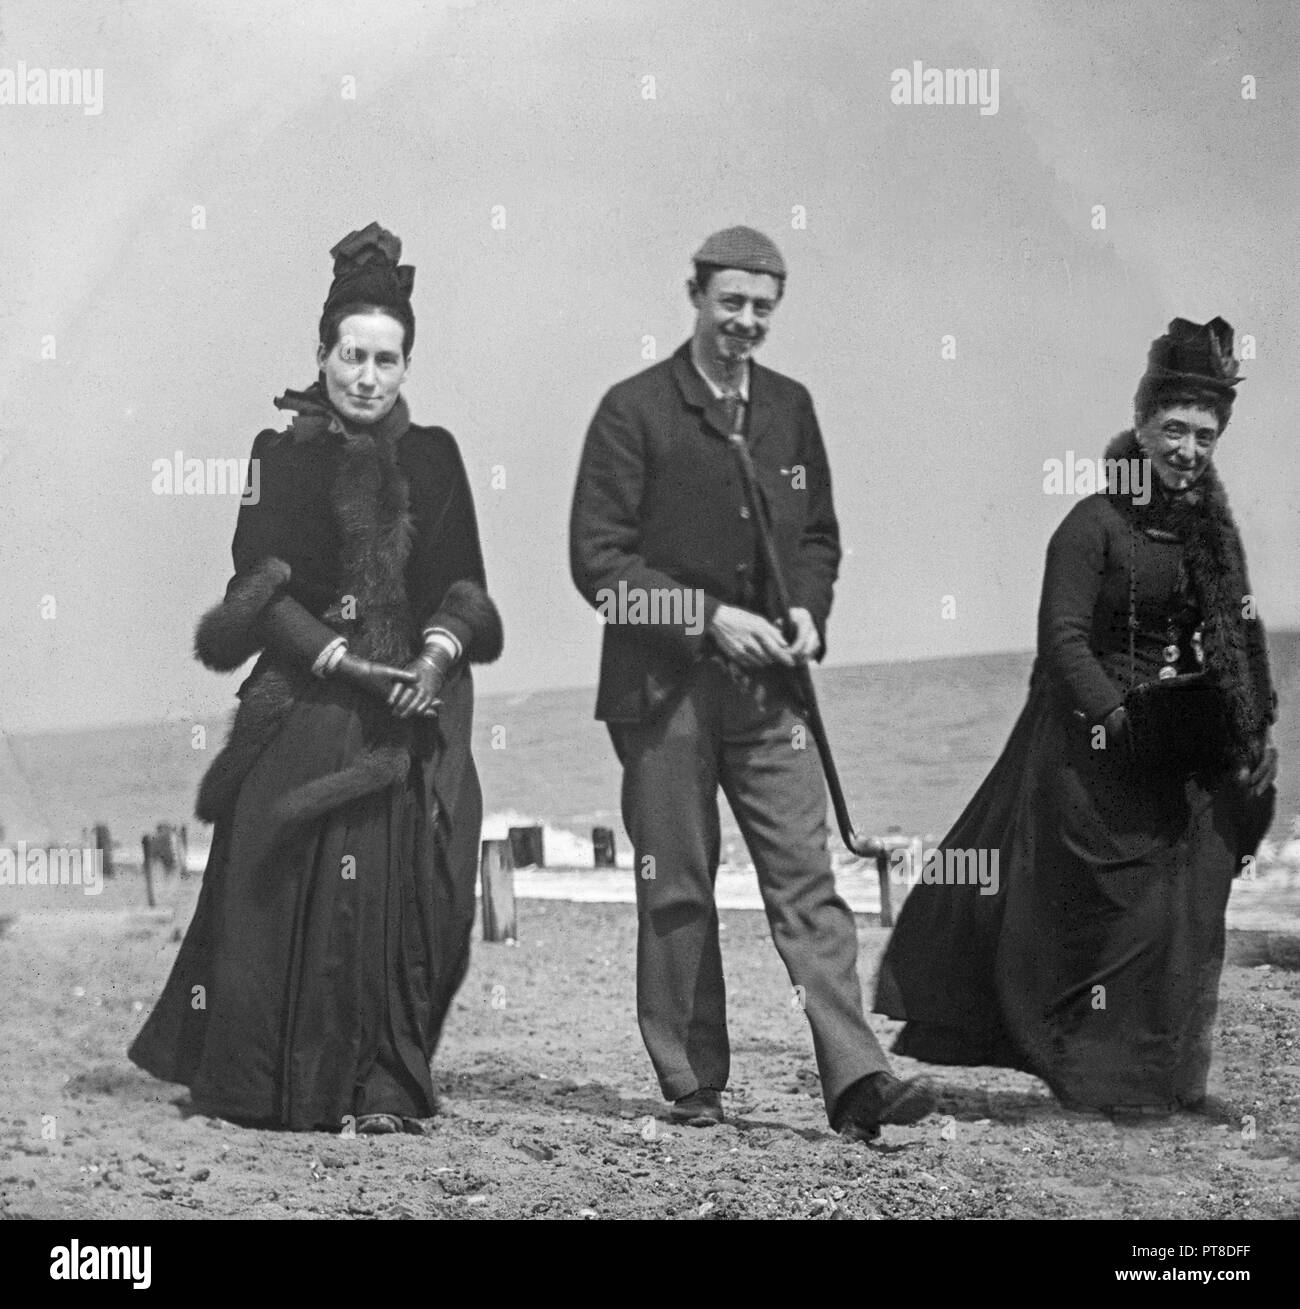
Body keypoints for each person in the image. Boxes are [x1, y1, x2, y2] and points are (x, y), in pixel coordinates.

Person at [129, 222, 503, 1134]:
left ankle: (383, 1082)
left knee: (432, 884)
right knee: (277, 852)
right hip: (307, 680)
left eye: (386, 359)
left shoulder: (437, 455)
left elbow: (464, 583)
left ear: (406, 363)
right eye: (351, 355)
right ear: (323, 352)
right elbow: (254, 581)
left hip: (414, 694)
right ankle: (268, 1083)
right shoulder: (276, 455)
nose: (367, 376)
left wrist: (430, 657)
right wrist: (341, 658)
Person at [569, 225, 934, 1140]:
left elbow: (816, 537)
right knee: (679, 885)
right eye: (730, 302)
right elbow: (599, 562)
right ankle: (694, 1084)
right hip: (664, 698)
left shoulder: (791, 407)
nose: (745, 321)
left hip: (775, 696)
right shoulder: (633, 409)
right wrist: (703, 618)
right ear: (695, 294)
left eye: (763, 307)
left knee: (807, 881)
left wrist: (808, 610)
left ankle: (857, 1081)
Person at [875, 317, 1278, 1119]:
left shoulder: (1207, 532)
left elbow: (1239, 630)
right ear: (1142, 426)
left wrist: (1251, 724)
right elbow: (1061, 641)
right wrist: (1116, 719)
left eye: (1204, 434)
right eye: (1174, 429)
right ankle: (1097, 1073)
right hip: (1088, 735)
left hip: (1164, 728)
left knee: (1199, 881)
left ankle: (1173, 1077)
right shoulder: (1093, 523)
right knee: (1116, 907)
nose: (1188, 449)